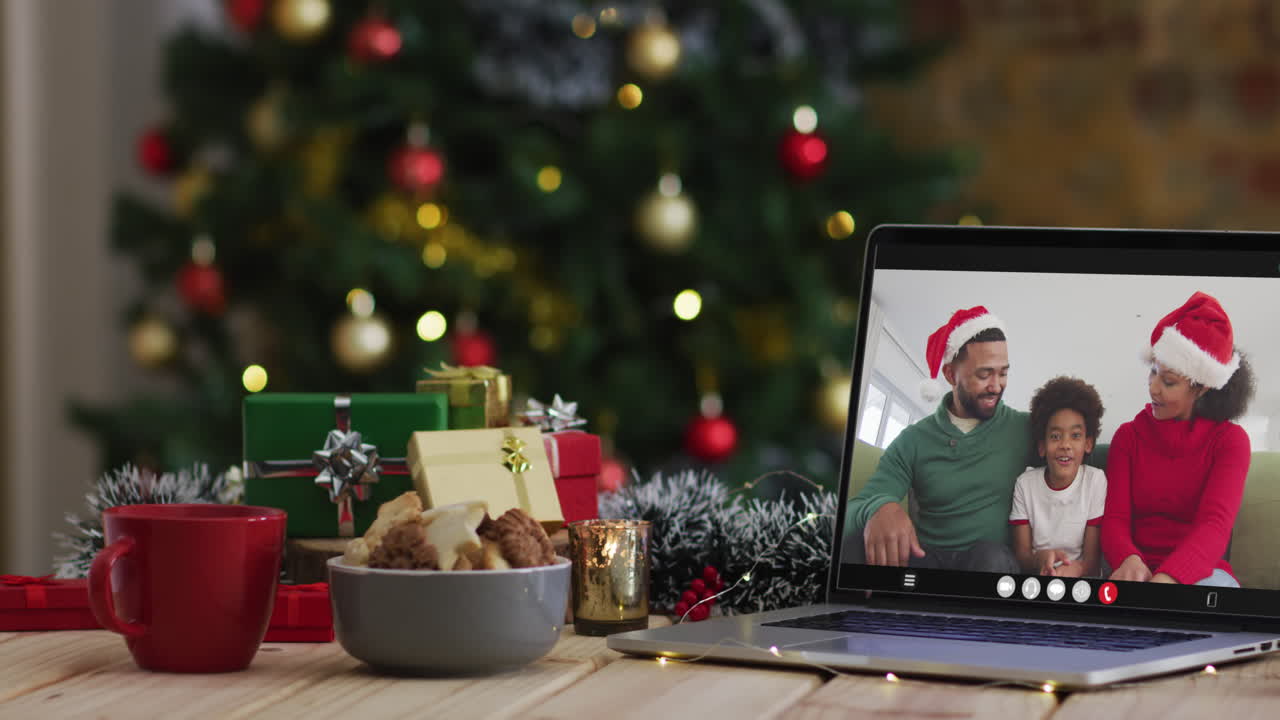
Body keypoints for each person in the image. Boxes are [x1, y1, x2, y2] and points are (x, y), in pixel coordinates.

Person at [844, 305, 1029, 573]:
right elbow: (853, 511)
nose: (996, 385)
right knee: (854, 544)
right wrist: (879, 507)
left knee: (991, 558)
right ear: (950, 374)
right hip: (926, 560)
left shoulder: (1022, 427)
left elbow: (1085, 449)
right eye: (984, 374)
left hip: (989, 564)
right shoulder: (913, 440)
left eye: (1003, 373)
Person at [1102, 291, 1255, 588]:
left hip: (1201, 573)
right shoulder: (1129, 437)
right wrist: (1128, 558)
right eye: (1153, 373)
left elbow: (1215, 527)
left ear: (1202, 389)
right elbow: (1115, 519)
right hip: (1135, 568)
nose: (1153, 388)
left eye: (1168, 381)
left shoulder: (1230, 441)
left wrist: (1169, 578)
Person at [1010, 377, 1107, 578]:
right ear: (1042, 446)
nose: (1065, 444)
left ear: (1088, 444)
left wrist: (1075, 569)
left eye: (1075, 435)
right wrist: (1041, 559)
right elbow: (1022, 556)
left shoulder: (1095, 481)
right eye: (1055, 436)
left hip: (1079, 577)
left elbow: (1092, 561)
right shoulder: (1025, 485)